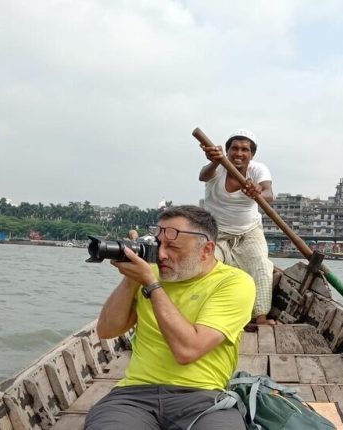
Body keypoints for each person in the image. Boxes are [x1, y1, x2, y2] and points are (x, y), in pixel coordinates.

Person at [85, 205, 255, 430]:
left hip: (203, 398)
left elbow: (187, 351)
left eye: (173, 247)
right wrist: (131, 279)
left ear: (206, 250)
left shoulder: (233, 282)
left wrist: (151, 284)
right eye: (159, 244)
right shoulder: (149, 273)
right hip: (133, 396)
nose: (162, 255)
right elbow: (107, 330)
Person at [199, 128, 275, 325]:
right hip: (215, 234)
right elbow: (203, 176)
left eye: (245, 149)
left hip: (249, 232)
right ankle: (206, 313)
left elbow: (269, 194)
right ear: (227, 150)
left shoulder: (257, 170)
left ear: (252, 154)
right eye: (234, 148)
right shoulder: (218, 168)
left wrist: (257, 191)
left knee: (261, 264)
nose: (239, 153)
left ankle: (260, 317)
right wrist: (215, 160)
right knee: (206, 266)